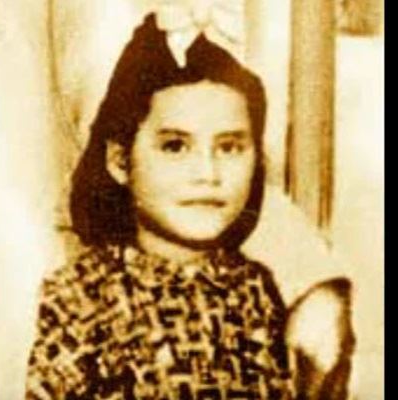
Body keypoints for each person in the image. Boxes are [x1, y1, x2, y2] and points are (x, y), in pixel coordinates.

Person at [25, 13, 352, 400]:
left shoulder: (256, 289)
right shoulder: (81, 300)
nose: (207, 173)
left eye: (229, 148)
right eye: (175, 147)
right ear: (119, 161)